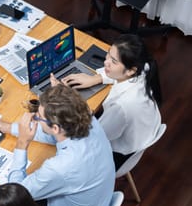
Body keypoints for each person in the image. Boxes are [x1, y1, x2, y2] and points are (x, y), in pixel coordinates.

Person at [0, 85, 115, 206]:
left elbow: (15, 192)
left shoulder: (61, 167)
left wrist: (22, 143)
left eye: (38, 117)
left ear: (55, 127)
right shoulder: (88, 120)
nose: (36, 119)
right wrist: (9, 127)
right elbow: (54, 135)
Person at [61, 34, 162, 170]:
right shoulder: (143, 68)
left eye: (113, 61)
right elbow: (121, 74)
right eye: (108, 54)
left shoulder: (122, 107)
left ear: (131, 70)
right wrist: (96, 78)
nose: (105, 62)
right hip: (135, 136)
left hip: (115, 156)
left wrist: (65, 100)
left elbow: (90, 138)